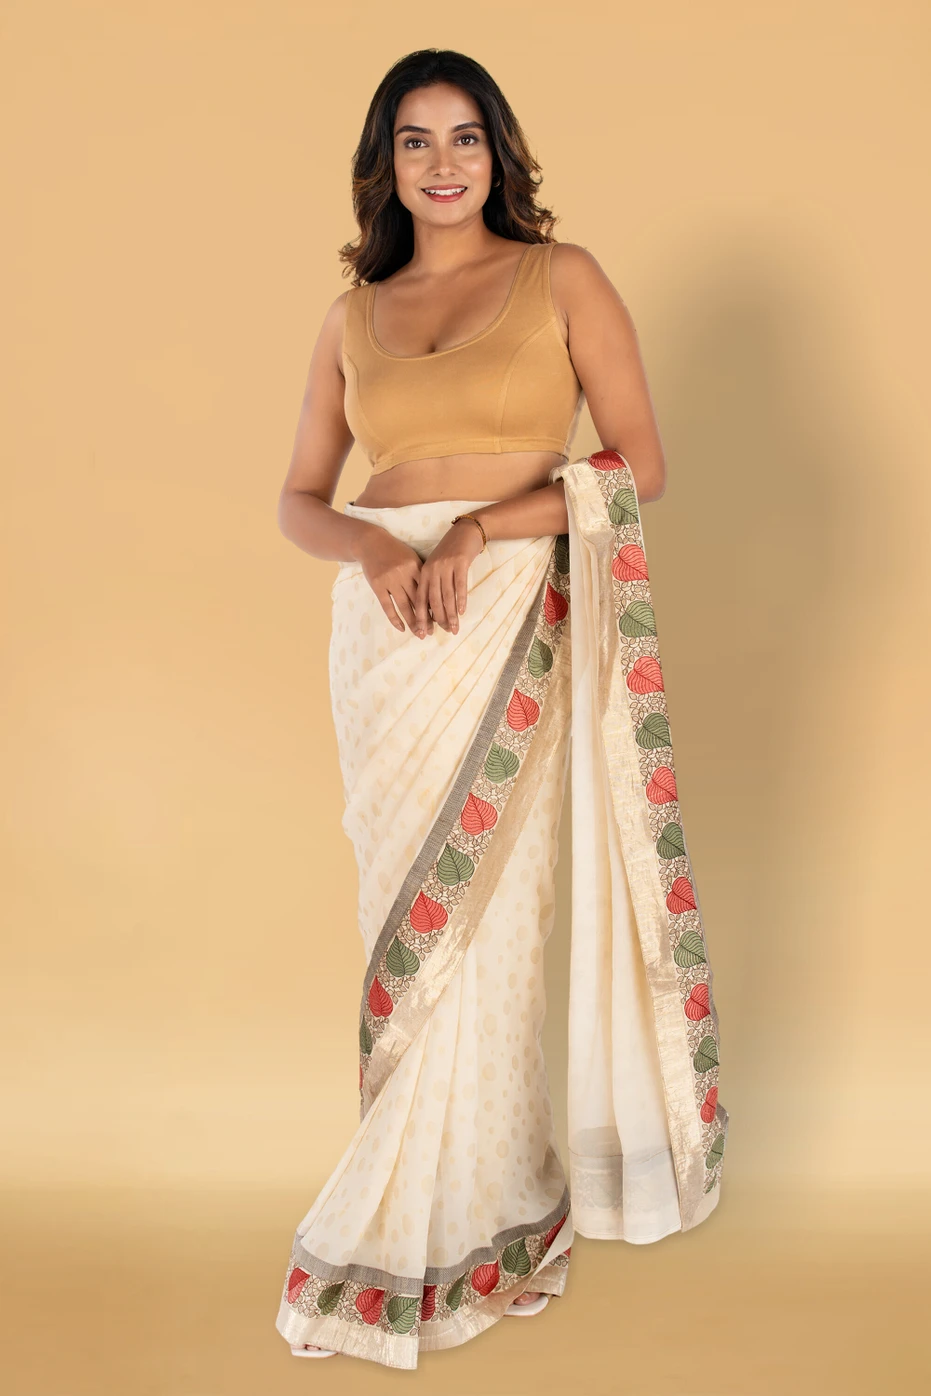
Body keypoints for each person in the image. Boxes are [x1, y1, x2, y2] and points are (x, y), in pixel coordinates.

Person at [273, 48, 728, 1370]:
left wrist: (478, 529)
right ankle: (426, 1216)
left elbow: (638, 464)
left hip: (507, 605)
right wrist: (376, 548)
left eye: (464, 136)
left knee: (496, 929)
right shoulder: (351, 315)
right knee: (404, 917)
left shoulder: (561, 277)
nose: (443, 163)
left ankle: (495, 1221)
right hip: (387, 634)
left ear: (499, 152)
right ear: (384, 165)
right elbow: (299, 495)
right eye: (414, 141)